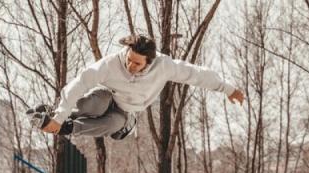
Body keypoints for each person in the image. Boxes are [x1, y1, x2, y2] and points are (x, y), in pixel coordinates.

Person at [27, 34, 245, 139]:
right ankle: (56, 117)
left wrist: (228, 89)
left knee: (114, 122)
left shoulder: (164, 66)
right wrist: (59, 115)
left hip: (126, 111)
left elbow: (196, 74)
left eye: (137, 63)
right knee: (98, 102)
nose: (130, 65)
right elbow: (82, 81)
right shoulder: (111, 64)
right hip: (108, 96)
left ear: (149, 62)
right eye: (129, 60)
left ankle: (67, 128)